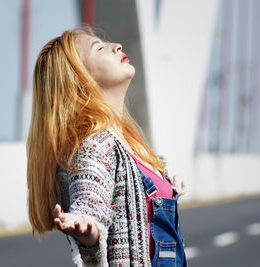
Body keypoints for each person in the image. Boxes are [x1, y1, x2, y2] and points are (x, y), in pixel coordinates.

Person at [26, 25, 187, 266]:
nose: (117, 46)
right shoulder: (93, 143)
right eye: (99, 48)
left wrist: (165, 190)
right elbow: (91, 199)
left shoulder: (127, 143)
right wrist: (87, 227)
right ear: (79, 78)